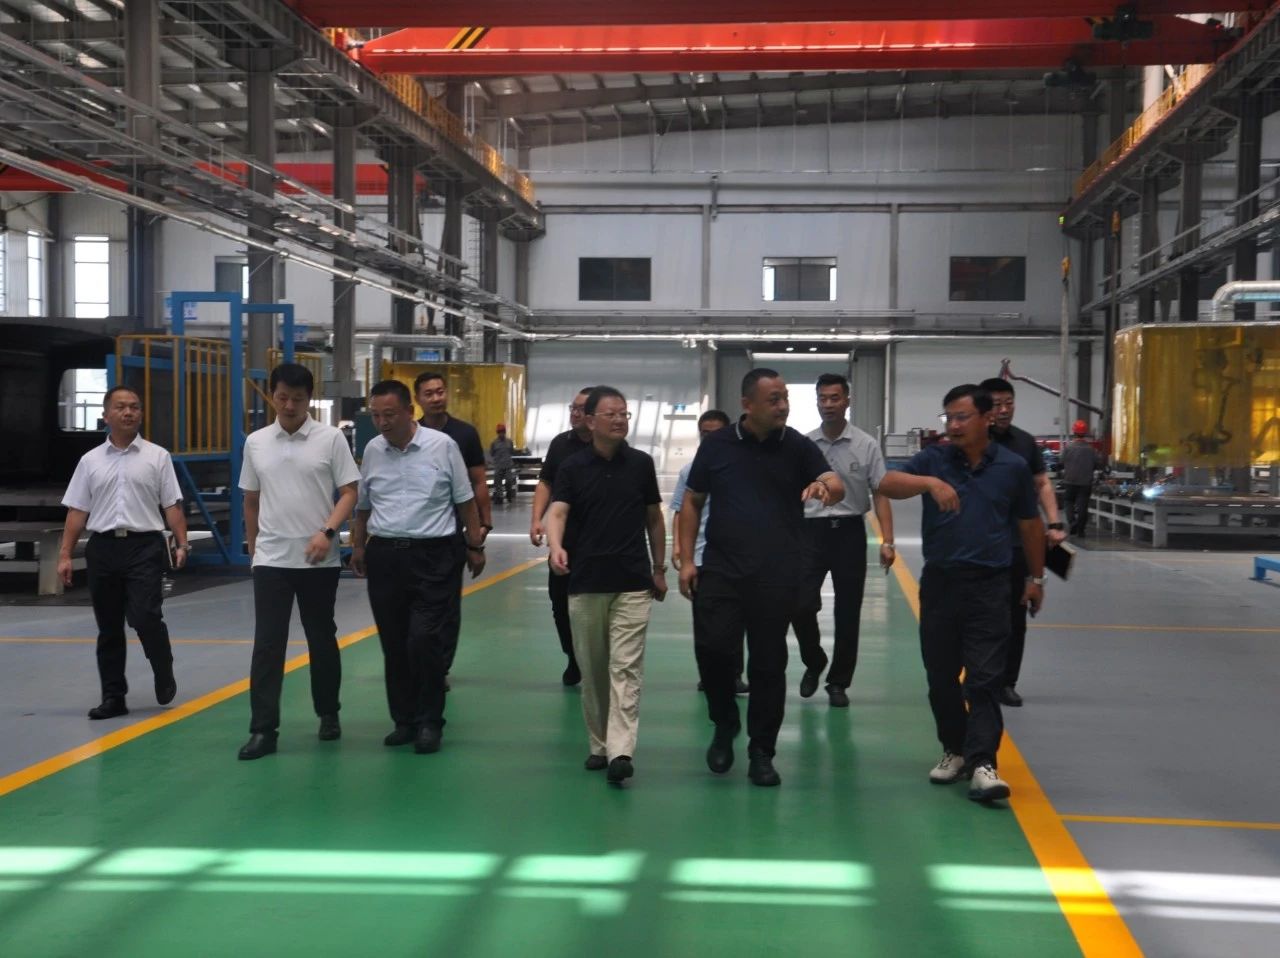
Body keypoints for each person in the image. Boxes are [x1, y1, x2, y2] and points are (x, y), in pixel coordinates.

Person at [878, 383, 1046, 804]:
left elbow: (1030, 525)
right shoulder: (933, 459)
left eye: (961, 417)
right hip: (941, 584)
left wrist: (1036, 578)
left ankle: (984, 763)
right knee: (941, 677)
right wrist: (928, 482)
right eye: (948, 417)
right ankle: (954, 749)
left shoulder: (1012, 467)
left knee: (985, 679)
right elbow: (887, 483)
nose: (953, 425)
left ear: (986, 418)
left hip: (991, 586)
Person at [677, 369, 844, 788]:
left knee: (769, 664)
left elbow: (833, 481)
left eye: (785, 397)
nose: (783, 406)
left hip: (776, 575)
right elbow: (693, 501)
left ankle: (761, 751)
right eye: (774, 399)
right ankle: (724, 723)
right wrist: (686, 560)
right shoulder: (717, 445)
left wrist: (826, 486)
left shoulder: (797, 446)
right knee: (713, 652)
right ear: (747, 405)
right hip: (721, 570)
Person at [352, 380, 485, 754]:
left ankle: (429, 722)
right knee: (393, 642)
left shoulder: (443, 446)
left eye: (389, 415)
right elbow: (363, 505)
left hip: (435, 555)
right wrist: (358, 546)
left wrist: (475, 545)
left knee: (424, 639)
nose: (382, 423)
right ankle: (404, 720)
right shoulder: (373, 450)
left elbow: (465, 500)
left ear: (410, 412)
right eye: (376, 416)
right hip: (385, 556)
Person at [236, 364, 360, 761]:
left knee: (321, 639)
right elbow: (251, 499)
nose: (289, 406)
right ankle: (263, 730)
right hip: (272, 560)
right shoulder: (256, 442)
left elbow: (349, 492)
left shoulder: (330, 439)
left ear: (310, 399)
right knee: (267, 645)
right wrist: (254, 551)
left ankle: (328, 712)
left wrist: (328, 532)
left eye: (298, 399)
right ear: (272, 395)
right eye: (282, 397)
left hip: (318, 560)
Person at [544, 386, 667, 786]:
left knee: (625, 667)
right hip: (586, 581)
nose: (619, 420)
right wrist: (556, 546)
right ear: (590, 420)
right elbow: (557, 512)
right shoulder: (572, 467)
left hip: (633, 581)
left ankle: (621, 751)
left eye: (624, 414)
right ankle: (599, 744)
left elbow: (654, 518)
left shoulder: (641, 464)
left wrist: (659, 568)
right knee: (593, 668)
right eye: (611, 414)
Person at [58, 385, 189, 720]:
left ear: (140, 414)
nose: (128, 412)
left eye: (134, 407)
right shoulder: (89, 461)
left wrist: (181, 541)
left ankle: (163, 666)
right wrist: (65, 554)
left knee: (145, 616)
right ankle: (113, 697)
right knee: (109, 626)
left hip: (144, 546)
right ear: (106, 415)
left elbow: (171, 505)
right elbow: (77, 511)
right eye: (120, 407)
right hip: (102, 548)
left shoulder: (157, 457)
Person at [792, 373, 897, 708]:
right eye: (822, 398)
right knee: (800, 604)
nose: (828, 405)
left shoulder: (866, 445)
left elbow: (880, 493)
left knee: (848, 611)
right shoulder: (804, 445)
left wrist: (888, 540)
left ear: (847, 401)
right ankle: (814, 660)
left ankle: (838, 682)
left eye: (834, 398)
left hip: (850, 533)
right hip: (811, 534)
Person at [978, 377, 1066, 709]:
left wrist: (1054, 523)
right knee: (977, 614)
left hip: (1017, 543)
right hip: (979, 542)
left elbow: (1041, 482)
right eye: (996, 404)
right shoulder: (972, 440)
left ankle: (1006, 682)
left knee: (1015, 617)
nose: (1003, 410)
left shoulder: (1024, 442)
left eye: (1009, 403)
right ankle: (977, 678)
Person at [415, 371, 492, 685]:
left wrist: (482, 527)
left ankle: (440, 668)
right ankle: (420, 663)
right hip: (417, 533)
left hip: (452, 533)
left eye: (440, 391)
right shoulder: (411, 434)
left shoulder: (464, 434)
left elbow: (478, 482)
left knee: (447, 606)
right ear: (418, 399)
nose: (437, 398)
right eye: (429, 393)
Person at [671, 409, 746, 695]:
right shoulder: (690, 470)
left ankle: (734, 675)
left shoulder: (740, 467)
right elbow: (680, 510)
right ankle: (709, 675)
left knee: (735, 621)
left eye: (716, 433)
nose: (710, 438)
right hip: (700, 556)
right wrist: (679, 548)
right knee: (705, 624)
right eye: (705, 434)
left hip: (735, 557)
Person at [530, 387, 595, 686]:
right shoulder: (561, 444)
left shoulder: (610, 445)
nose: (575, 413)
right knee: (560, 604)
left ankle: (595, 659)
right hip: (564, 541)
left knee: (595, 604)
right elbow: (546, 482)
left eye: (581, 408)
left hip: (599, 541)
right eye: (573, 408)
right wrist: (536, 519)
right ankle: (573, 656)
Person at [1061, 420, 1099, 536]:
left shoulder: (1068, 448)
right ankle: (1081, 530)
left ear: (1074, 432)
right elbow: (1096, 464)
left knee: (1068, 502)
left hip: (1070, 481)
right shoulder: (1091, 450)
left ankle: (1072, 522)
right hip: (1085, 482)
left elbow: (1061, 462)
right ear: (1085, 433)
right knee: (1083, 505)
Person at [489, 424, 518, 504]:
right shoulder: (494, 443)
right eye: (499, 432)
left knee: (509, 481)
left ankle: (509, 495)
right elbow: (492, 453)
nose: (501, 433)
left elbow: (512, 452)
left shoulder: (509, 442)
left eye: (502, 431)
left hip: (508, 466)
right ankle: (500, 497)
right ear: (497, 433)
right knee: (497, 483)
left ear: (505, 432)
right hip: (498, 466)